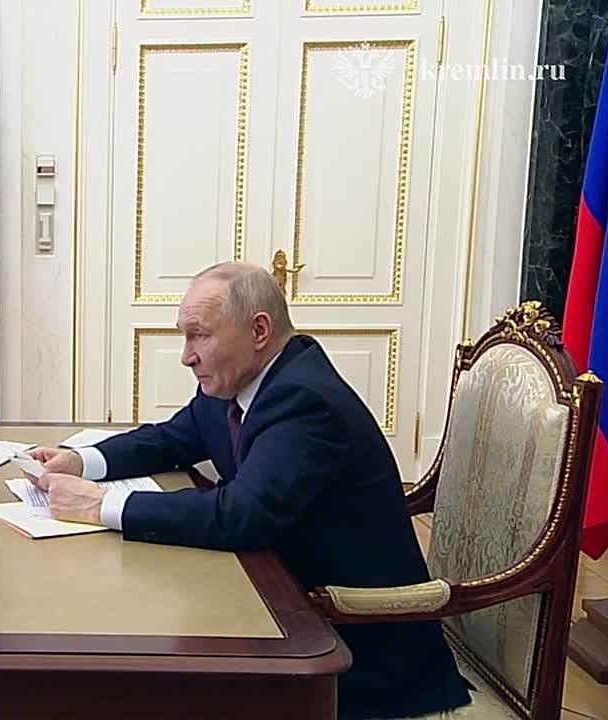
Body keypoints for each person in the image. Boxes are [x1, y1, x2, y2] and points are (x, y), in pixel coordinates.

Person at [25, 263, 472, 720]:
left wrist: (101, 505)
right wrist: (81, 461)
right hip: (279, 606)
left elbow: (242, 515)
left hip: (355, 656)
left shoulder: (304, 399)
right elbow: (170, 439)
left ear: (259, 330)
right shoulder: (241, 381)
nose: (186, 356)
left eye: (200, 336)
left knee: (144, 687)